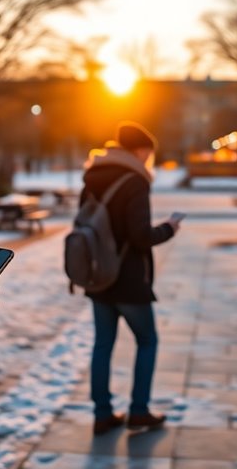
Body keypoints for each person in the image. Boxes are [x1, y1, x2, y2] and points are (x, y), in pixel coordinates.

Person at [81, 122, 181, 436]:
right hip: (127, 279)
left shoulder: (92, 175)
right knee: (148, 340)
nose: (149, 160)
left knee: (103, 345)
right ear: (139, 151)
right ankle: (138, 411)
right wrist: (169, 229)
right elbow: (139, 236)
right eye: (148, 153)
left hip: (99, 275)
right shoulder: (135, 181)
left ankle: (102, 414)